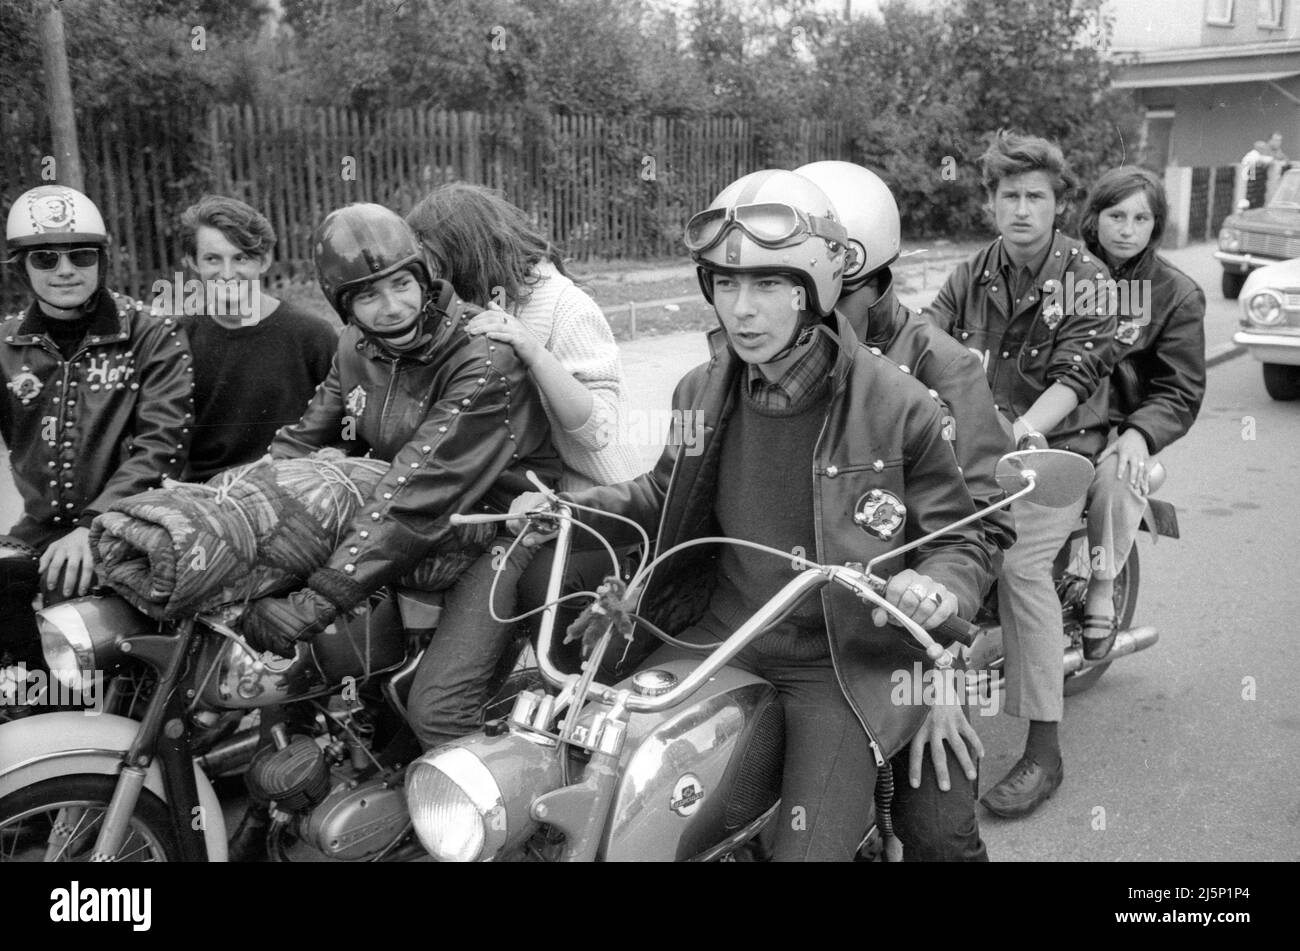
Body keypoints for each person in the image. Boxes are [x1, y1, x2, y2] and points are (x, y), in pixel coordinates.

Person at [512, 169, 999, 862]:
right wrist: (570, 506)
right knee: (602, 779)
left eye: (768, 285)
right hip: (717, 636)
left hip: (838, 664)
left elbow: (962, 539)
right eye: (727, 283)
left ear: (816, 290)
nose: (742, 308)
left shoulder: (900, 407)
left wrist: (939, 586)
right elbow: (659, 495)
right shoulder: (697, 393)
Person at [796, 160, 1015, 859]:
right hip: (794, 634)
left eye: (834, 290)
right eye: (794, 285)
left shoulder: (942, 369)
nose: (809, 311)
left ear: (878, 283)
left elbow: (980, 528)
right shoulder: (763, 356)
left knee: (937, 832)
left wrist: (935, 670)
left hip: (912, 644)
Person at [401, 184, 641, 750]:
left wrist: (532, 349)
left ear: (466, 249)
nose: (428, 273)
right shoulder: (464, 303)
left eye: (433, 257)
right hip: (492, 511)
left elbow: (599, 429)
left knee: (552, 692)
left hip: (573, 512)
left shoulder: (564, 306)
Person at [925, 132, 1117, 819]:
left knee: (1021, 565)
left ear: (1058, 204)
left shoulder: (1087, 276)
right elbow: (922, 344)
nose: (1023, 208)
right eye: (1010, 195)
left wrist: (1027, 425)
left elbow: (1080, 372)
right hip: (978, 448)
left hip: (1058, 449)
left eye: (1036, 196)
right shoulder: (969, 273)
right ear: (990, 202)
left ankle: (1044, 749)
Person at [1, 184, 193, 684]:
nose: (65, 270)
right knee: (18, 667)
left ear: (101, 261)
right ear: (21, 268)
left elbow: (162, 447)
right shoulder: (5, 346)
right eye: (44, 258)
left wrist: (92, 526)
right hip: (38, 533)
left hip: (131, 528)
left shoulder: (151, 333)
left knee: (90, 663)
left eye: (80, 255)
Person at [1077, 166, 1205, 658]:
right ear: (1095, 218)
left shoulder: (1177, 293)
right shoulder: (1063, 273)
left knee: (1117, 476)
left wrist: (1140, 433)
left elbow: (1181, 389)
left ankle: (1103, 587)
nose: (1127, 229)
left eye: (1141, 217)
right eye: (1116, 215)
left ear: (1156, 224)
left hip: (1118, 429)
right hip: (1057, 417)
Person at [174, 195, 338, 482]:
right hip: (204, 493)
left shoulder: (313, 337)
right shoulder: (177, 339)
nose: (227, 274)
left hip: (291, 485)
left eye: (241, 258)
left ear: (264, 261)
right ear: (192, 262)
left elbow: (346, 423)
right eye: (213, 259)